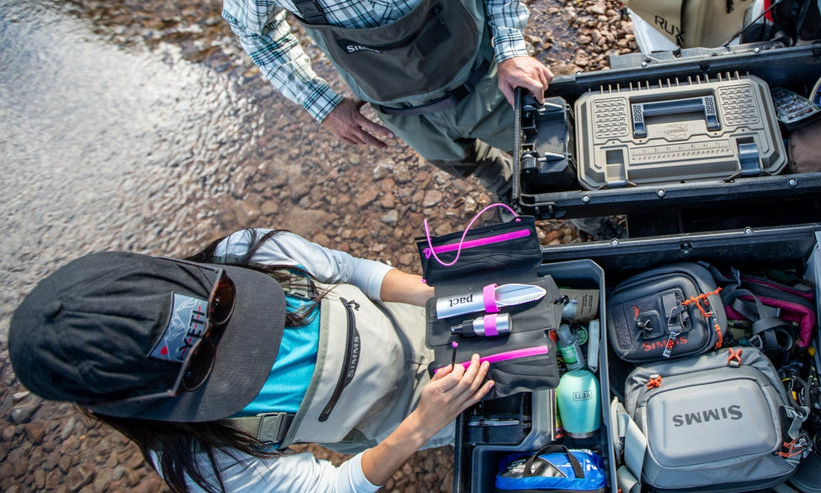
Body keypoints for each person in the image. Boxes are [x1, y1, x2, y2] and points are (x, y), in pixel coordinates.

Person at [6, 228, 493, 492]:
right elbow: (328, 487)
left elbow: (350, 271)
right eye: (201, 370)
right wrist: (421, 427)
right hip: (408, 419)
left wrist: (433, 296)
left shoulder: (246, 253)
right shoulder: (197, 458)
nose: (246, 347)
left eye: (224, 309)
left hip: (418, 322)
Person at [203, 0, 553, 201]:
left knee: (554, 157)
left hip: (486, 78)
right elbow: (257, 34)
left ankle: (593, 223)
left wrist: (510, 50)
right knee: (469, 165)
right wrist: (322, 105)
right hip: (402, 115)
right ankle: (506, 187)